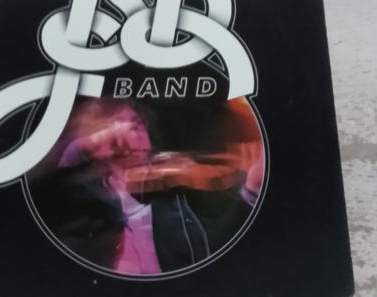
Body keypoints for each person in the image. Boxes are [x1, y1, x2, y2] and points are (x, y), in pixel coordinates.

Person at [29, 96, 264, 275]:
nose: (135, 134)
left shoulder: (168, 192)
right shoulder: (79, 193)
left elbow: (215, 245)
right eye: (116, 126)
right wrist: (92, 142)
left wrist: (250, 191)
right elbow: (44, 188)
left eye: (137, 124)